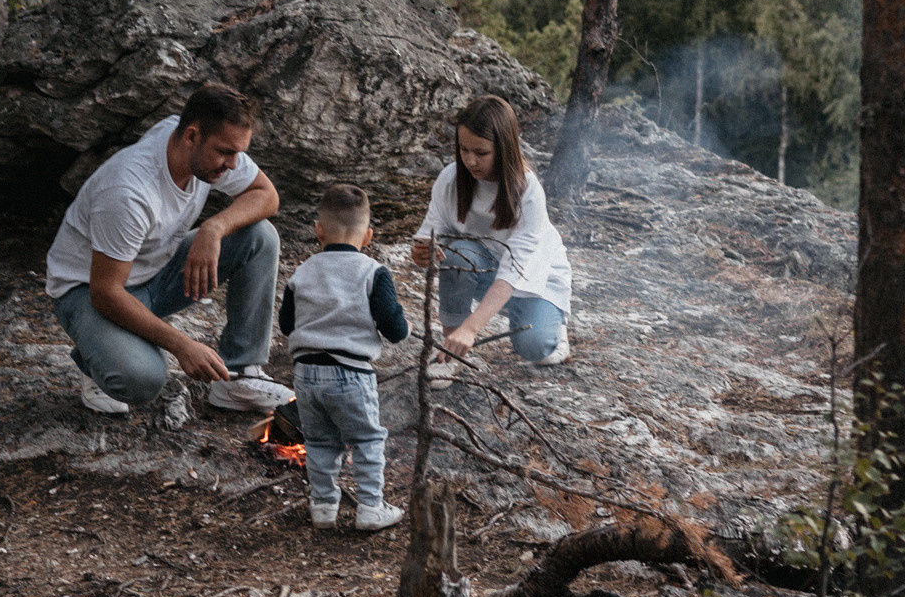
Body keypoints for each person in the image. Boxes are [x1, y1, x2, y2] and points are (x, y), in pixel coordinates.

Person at [45, 80, 293, 417]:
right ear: (192, 136)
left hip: (153, 272)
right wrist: (181, 345)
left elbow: (267, 196)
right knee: (142, 380)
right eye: (225, 152)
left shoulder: (191, 143)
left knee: (259, 236)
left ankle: (238, 376)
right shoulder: (128, 192)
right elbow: (105, 292)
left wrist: (213, 228)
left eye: (239, 152)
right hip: (88, 290)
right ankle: (94, 358)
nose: (234, 164)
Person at [279, 183, 409, 532]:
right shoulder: (373, 272)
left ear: (318, 230)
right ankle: (370, 506)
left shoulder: (302, 271)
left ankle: (323, 506)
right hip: (350, 373)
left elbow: (286, 324)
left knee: (320, 441)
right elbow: (393, 327)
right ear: (368, 236)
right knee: (366, 439)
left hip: (305, 373)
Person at [412, 94, 572, 365]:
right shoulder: (450, 180)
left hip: (534, 278)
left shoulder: (528, 191)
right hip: (484, 270)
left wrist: (472, 329)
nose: (470, 161)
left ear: (504, 148)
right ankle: (449, 352)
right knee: (455, 252)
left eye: (481, 153)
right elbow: (429, 234)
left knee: (536, 349)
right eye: (464, 150)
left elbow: (515, 269)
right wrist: (421, 253)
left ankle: (553, 324)